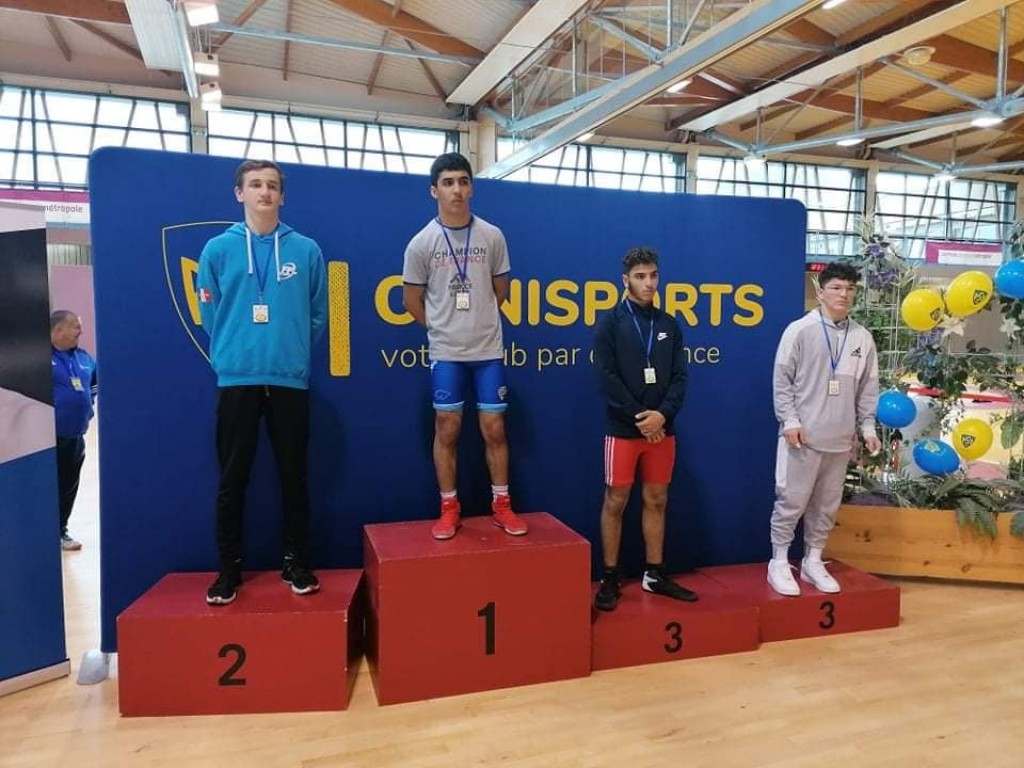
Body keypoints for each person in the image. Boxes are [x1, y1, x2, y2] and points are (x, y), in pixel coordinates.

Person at [197, 159, 327, 605]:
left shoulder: (306, 250)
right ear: (240, 193)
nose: (265, 192)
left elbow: (317, 315)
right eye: (255, 184)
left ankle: (296, 562)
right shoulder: (217, 249)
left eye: (272, 185)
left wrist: (289, 349)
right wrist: (235, 349)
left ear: (282, 196)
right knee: (232, 478)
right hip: (237, 377)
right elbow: (209, 313)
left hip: (290, 379)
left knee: (294, 477)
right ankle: (229, 569)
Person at [402, 152, 527, 540]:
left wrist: (477, 322)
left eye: (463, 181)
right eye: (448, 183)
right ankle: (449, 507)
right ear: (434, 191)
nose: (456, 189)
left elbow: (500, 291)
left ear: (472, 187)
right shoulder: (421, 243)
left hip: (488, 351)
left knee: (494, 428)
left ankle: (502, 505)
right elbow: (410, 300)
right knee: (447, 427)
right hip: (447, 354)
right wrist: (443, 328)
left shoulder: (492, 235)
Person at [592, 247, 698, 611]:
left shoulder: (669, 324)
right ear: (625, 280)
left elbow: (680, 377)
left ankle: (654, 573)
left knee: (657, 499)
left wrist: (662, 417)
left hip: (662, 432)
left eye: (653, 275)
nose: (649, 283)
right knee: (615, 500)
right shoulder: (610, 323)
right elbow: (606, 377)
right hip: (624, 430)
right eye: (640, 276)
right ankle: (609, 576)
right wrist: (642, 417)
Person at [768, 261, 880, 596]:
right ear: (820, 292)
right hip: (802, 438)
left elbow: (868, 387)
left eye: (850, 289)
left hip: (840, 440)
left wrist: (868, 427)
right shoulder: (799, 331)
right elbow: (782, 380)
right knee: (791, 501)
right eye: (836, 288)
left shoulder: (862, 337)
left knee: (826, 506)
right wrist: (789, 420)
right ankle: (778, 561)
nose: (844, 294)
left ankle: (813, 560)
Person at [50, 310, 97, 551]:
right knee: (48, 488)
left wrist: (86, 408)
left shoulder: (85, 358)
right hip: (47, 439)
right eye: (76, 326)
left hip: (76, 436)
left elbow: (94, 386)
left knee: (68, 487)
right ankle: (42, 534)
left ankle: (61, 531)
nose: (81, 331)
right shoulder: (39, 358)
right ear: (58, 330)